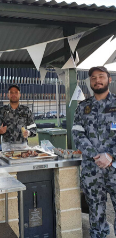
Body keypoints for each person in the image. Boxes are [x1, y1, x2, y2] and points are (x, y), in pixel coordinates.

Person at [72, 66, 116, 238]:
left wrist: (110, 155)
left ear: (109, 79)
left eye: (101, 76)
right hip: (92, 170)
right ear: (90, 82)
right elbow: (77, 133)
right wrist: (96, 156)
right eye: (93, 78)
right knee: (96, 213)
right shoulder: (83, 107)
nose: (97, 80)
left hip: (114, 167)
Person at [0, 84, 36, 151]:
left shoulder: (26, 111)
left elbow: (34, 129)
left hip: (23, 146)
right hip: (7, 147)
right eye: (11, 92)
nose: (14, 95)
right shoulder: (1, 111)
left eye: (16, 92)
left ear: (20, 95)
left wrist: (28, 132)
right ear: (8, 95)